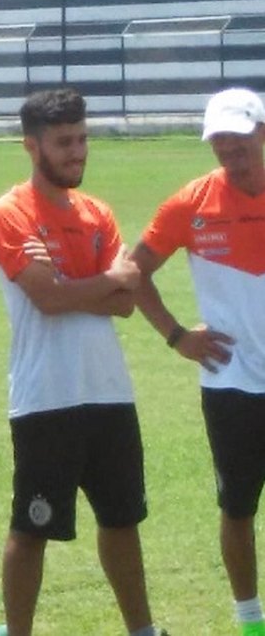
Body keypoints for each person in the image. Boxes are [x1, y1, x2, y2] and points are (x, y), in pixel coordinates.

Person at [0, 88, 166, 636]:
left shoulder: (97, 213)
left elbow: (128, 302)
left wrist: (77, 285)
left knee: (122, 519)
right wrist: (105, 281)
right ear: (31, 147)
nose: (78, 152)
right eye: (64, 143)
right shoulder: (10, 213)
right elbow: (48, 298)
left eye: (83, 139)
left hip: (109, 391)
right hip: (45, 396)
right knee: (32, 527)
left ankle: (143, 630)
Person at [129, 87, 265, 636]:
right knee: (236, 507)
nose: (230, 149)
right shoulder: (191, 204)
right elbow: (132, 272)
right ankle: (250, 621)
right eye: (219, 141)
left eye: (240, 136)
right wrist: (176, 335)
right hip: (230, 384)